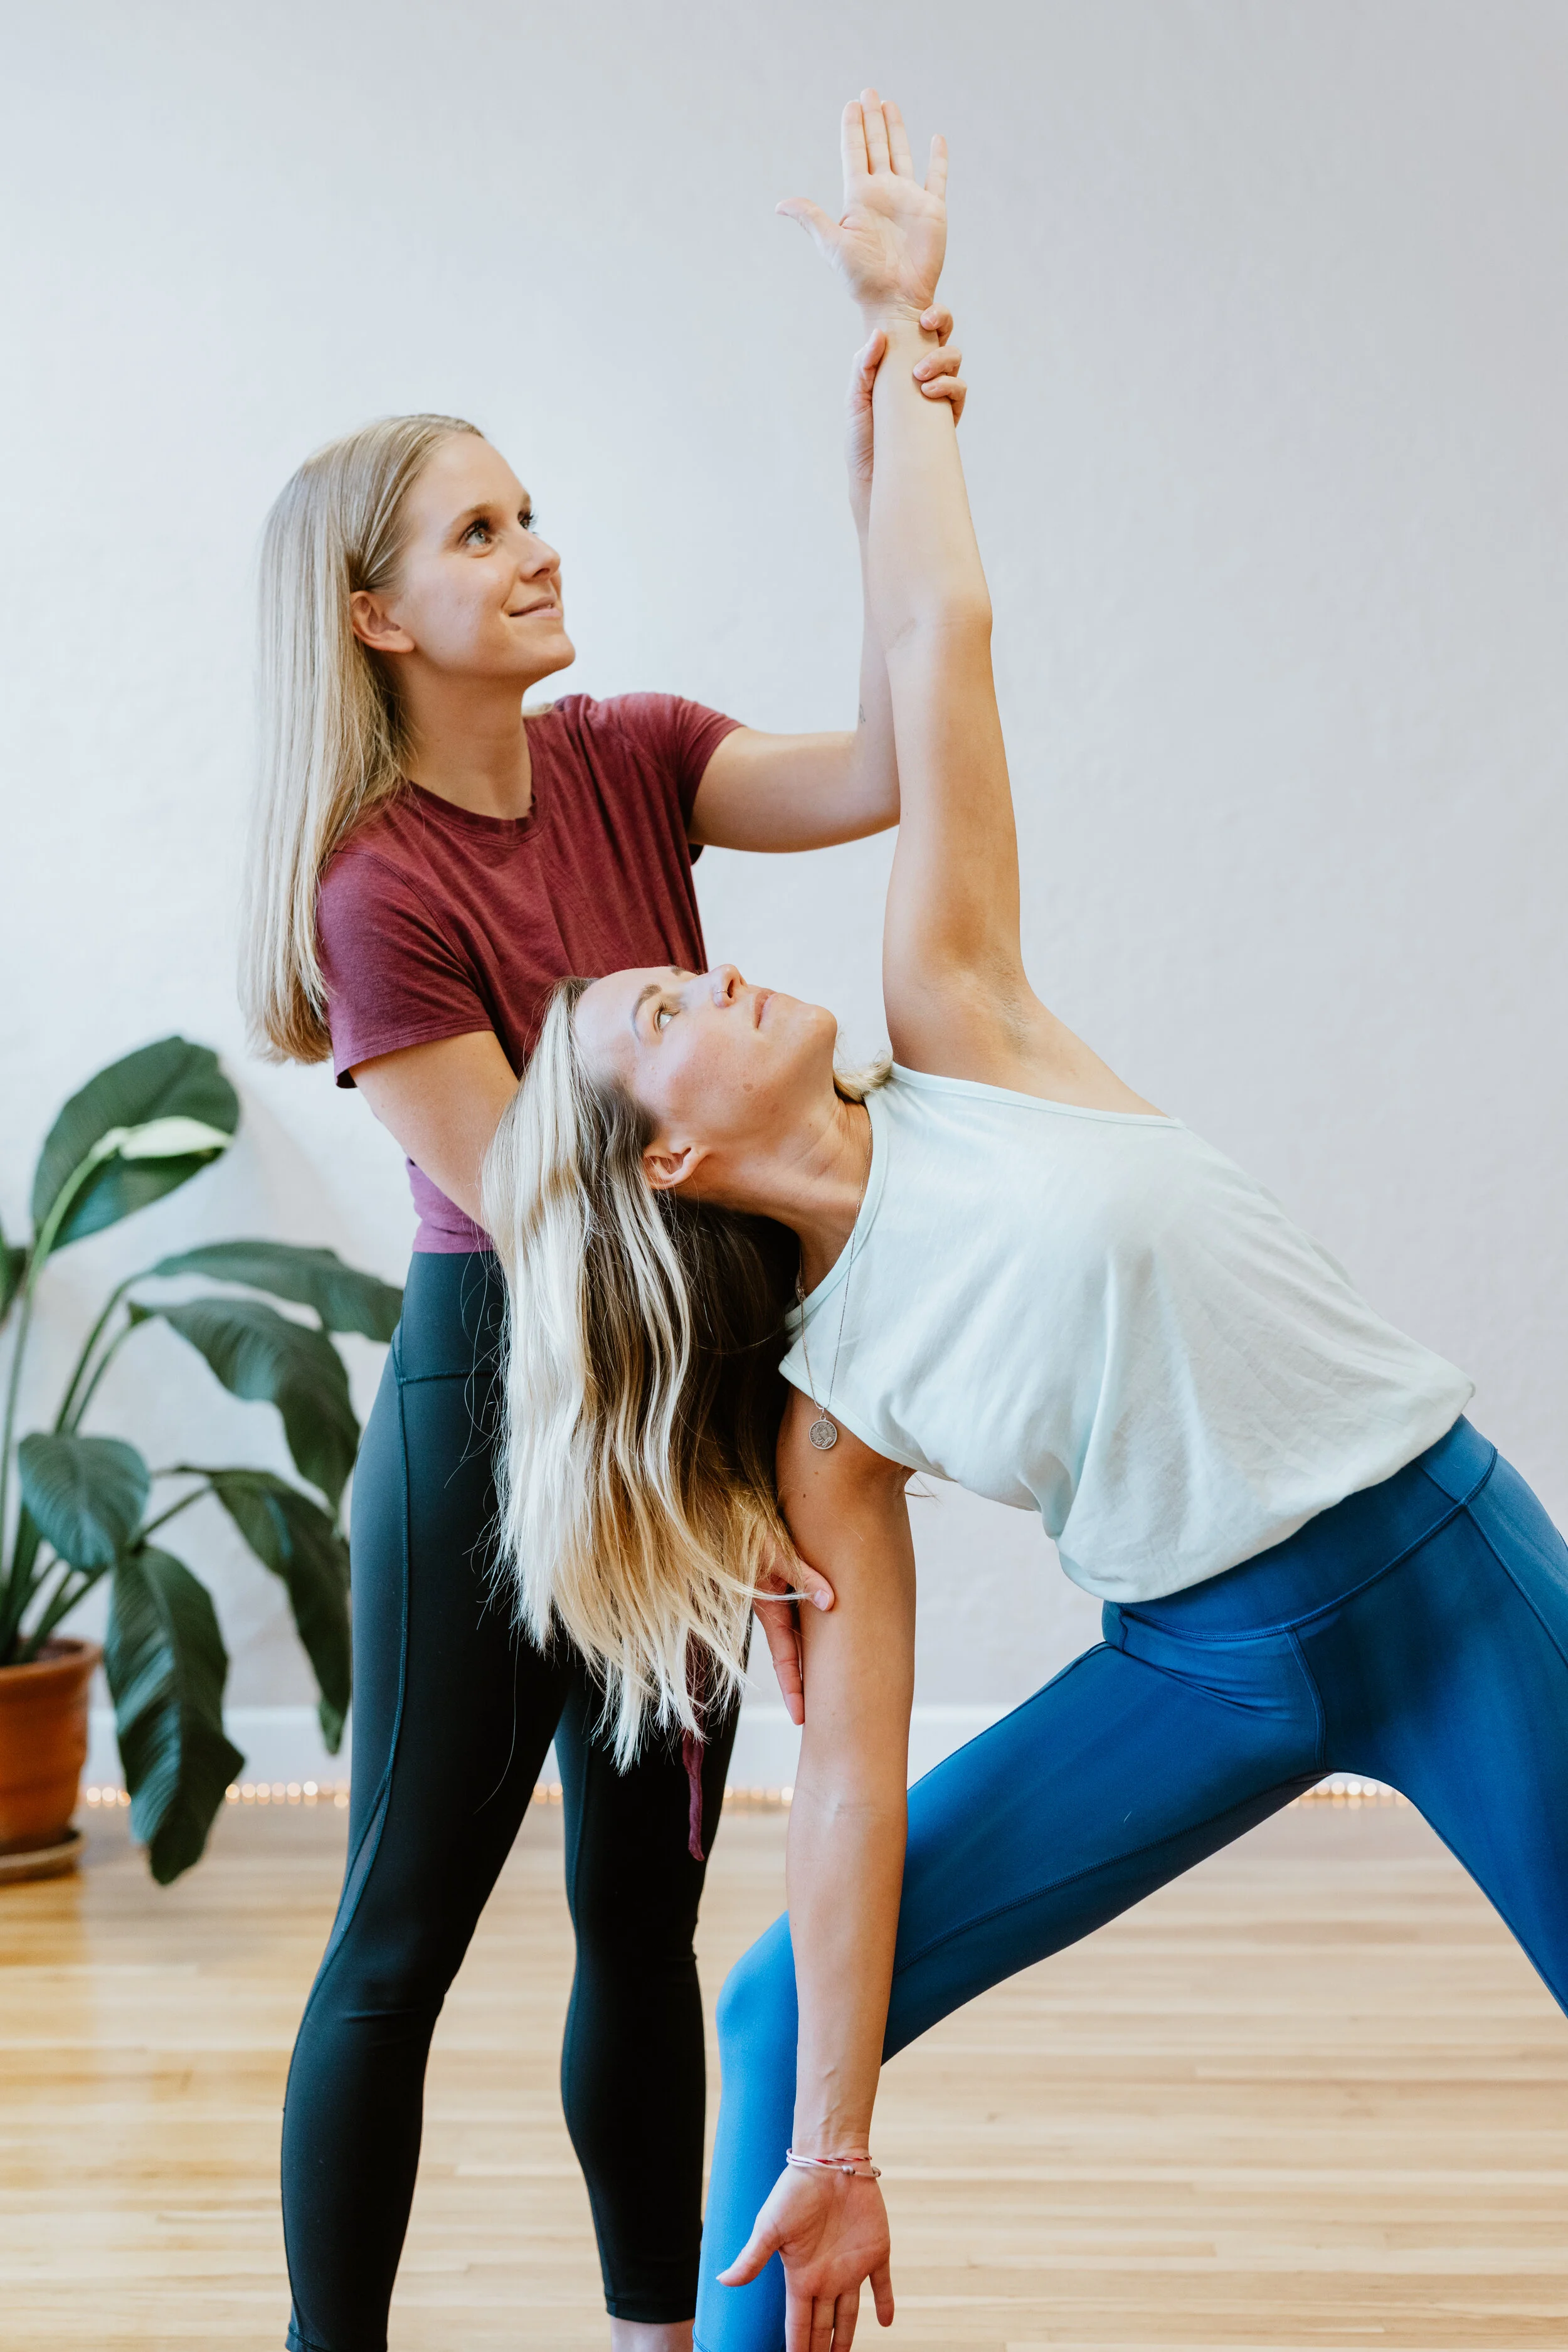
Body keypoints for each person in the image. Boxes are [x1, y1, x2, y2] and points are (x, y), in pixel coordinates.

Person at [479, 91, 1568, 2352]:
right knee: (779, 2027)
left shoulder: (952, 1026)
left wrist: (906, 347)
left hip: (1443, 1564)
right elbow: (851, 1771)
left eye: (680, 956)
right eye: (666, 1008)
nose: (715, 964)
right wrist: (842, 2148)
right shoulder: (818, 1410)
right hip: (1202, 1661)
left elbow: (941, 651)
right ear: (663, 1165)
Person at [239, 283, 969, 2352]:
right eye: (477, 532)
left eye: (528, 512)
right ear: (375, 614)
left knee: (639, 1919)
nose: (535, 546)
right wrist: (714, 1503)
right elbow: (537, 1213)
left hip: (678, 1388)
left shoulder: (631, 756)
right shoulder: (376, 889)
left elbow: (891, 761)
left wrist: (884, 474)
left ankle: (658, 2330)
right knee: (398, 1940)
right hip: (503, 1408)